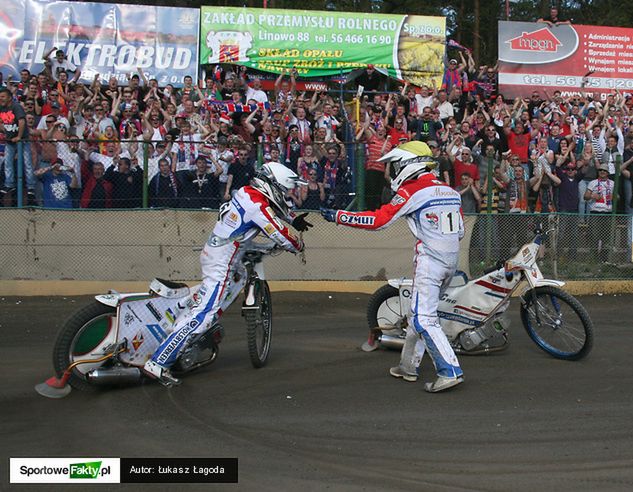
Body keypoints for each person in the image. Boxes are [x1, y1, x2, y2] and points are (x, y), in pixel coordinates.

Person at [143, 163, 310, 385]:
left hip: (221, 253)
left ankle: (185, 320)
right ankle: (159, 361)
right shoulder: (257, 207)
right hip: (222, 261)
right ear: (273, 185)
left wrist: (292, 218)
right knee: (206, 314)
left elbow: (272, 210)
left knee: (236, 279)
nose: (285, 194)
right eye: (284, 189)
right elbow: (277, 231)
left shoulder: (246, 193)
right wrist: (297, 245)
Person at [321, 141, 465, 393]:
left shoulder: (413, 190)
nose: (394, 171)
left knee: (423, 318)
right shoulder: (449, 191)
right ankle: (408, 367)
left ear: (410, 165)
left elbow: (379, 220)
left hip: (430, 263)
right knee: (418, 314)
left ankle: (450, 370)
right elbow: (460, 230)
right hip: (450, 260)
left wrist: (339, 216)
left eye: (397, 165)